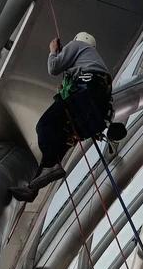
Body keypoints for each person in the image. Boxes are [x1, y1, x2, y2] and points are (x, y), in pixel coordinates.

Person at [12, 32, 115, 202]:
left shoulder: (78, 45)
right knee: (59, 143)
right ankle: (32, 189)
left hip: (83, 97)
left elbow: (53, 68)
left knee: (44, 126)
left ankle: (48, 170)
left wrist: (53, 51)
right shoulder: (96, 65)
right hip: (94, 114)